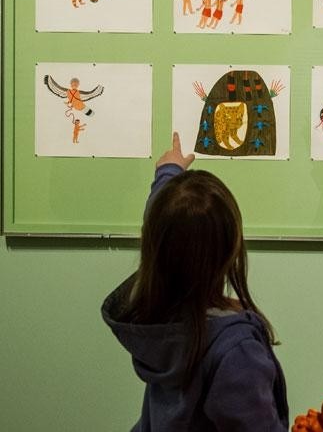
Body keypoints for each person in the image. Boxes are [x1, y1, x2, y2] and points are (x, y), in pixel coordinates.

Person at [102, 132, 289, 431]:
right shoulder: (236, 351)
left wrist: (168, 172)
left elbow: (165, 223)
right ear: (231, 249)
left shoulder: (158, 321)